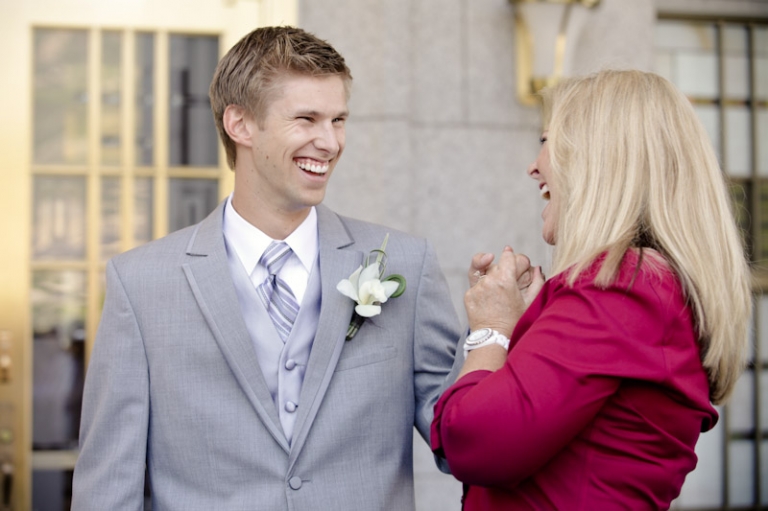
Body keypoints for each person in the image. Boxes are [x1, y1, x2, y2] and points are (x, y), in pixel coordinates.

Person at [72, 26, 469, 511]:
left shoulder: (406, 264)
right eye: (307, 119)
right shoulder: (140, 284)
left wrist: (495, 333)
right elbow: (108, 488)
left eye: (338, 119)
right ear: (240, 124)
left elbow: (464, 444)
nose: (330, 142)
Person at [431, 69, 751, 510]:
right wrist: (528, 326)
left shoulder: (624, 285)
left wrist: (491, 330)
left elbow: (472, 443)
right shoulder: (644, 285)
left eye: (546, 142)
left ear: (598, 159)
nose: (534, 165)